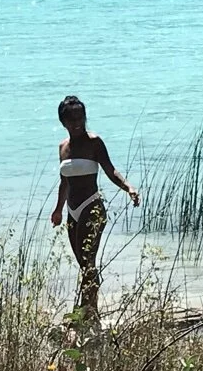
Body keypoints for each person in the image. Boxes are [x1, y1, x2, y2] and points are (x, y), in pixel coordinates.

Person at [51, 93, 138, 326]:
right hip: (72, 211)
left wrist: (128, 187)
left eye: (80, 117)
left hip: (92, 206)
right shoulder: (63, 147)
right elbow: (64, 182)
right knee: (83, 263)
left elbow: (111, 170)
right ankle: (88, 312)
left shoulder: (94, 142)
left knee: (88, 262)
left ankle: (87, 313)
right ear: (63, 122)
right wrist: (58, 210)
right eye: (71, 119)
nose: (77, 123)